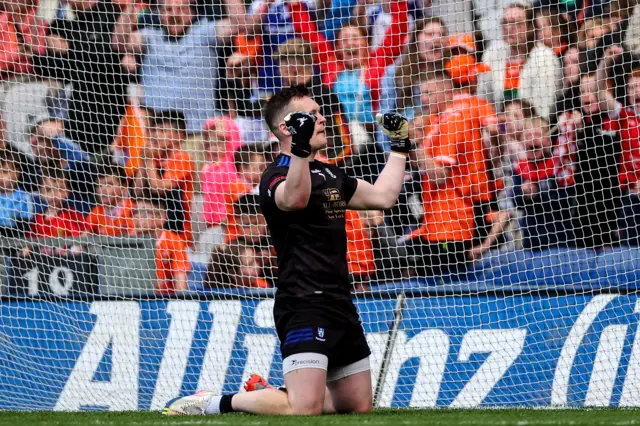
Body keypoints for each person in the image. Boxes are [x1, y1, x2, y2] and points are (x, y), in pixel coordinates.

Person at [163, 85, 412, 416]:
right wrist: (300, 148)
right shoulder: (275, 175)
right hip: (303, 301)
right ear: (287, 128)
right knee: (304, 409)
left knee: (356, 405)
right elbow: (294, 198)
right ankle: (213, 402)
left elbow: (383, 197)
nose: (322, 119)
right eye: (312, 115)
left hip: (340, 300)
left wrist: (398, 145)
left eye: (320, 113)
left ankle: (272, 393)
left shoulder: (329, 172)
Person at [135, 109, 195, 244]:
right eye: (154, 131)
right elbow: (138, 191)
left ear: (179, 135)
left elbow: (158, 188)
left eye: (163, 131)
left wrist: (149, 161)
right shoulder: (154, 159)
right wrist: (144, 160)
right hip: (150, 231)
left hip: (176, 235)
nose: (156, 135)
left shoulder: (182, 159)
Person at [85, 165, 135, 237]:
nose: (103, 189)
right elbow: (84, 236)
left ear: (123, 187)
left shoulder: (132, 210)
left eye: (109, 184)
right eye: (99, 185)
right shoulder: (97, 212)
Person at [0, 149, 33, 238]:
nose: (1, 176)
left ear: (17, 173)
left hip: (15, 239)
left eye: (5, 172)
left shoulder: (23, 197)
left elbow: (26, 225)